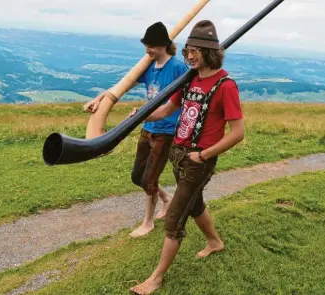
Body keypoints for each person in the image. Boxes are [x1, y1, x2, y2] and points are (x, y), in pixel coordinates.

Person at [129, 20, 245, 294]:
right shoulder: (191, 79)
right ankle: (215, 242)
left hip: (198, 160)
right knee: (195, 205)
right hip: (177, 154)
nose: (189, 56)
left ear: (210, 52)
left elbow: (237, 133)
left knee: (174, 220)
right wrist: (143, 114)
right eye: (187, 51)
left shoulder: (226, 85)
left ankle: (155, 278)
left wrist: (203, 155)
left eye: (195, 51)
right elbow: (168, 108)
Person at [84, 22, 188, 238]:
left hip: (166, 130)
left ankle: (148, 222)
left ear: (163, 46)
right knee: (137, 176)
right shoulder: (147, 66)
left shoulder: (178, 68)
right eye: (146, 46)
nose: (147, 50)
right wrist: (98, 99)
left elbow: (186, 98)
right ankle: (165, 197)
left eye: (151, 46)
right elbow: (122, 86)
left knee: (149, 179)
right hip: (147, 126)